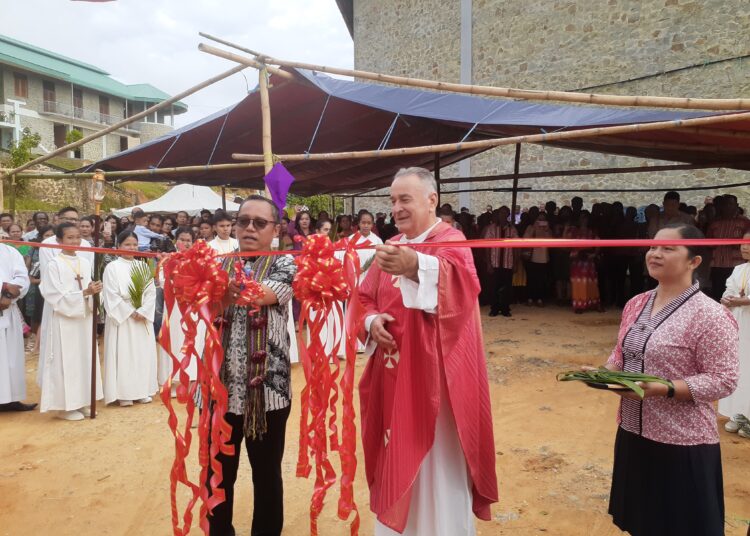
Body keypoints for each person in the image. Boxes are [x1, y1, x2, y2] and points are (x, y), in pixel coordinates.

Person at [359, 167, 497, 535]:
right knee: (396, 453)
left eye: (405, 199)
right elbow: (364, 296)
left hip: (437, 386)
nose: (397, 208)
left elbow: (463, 286)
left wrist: (417, 266)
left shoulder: (452, 239)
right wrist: (372, 321)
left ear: (431, 199)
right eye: (392, 201)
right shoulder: (389, 245)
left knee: (435, 467)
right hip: (393, 380)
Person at [595, 223, 738, 536]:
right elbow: (621, 353)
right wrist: (607, 373)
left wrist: (667, 388)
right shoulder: (636, 303)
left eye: (668, 249)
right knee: (642, 522)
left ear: (694, 261)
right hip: (633, 430)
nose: (655, 254)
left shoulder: (710, 315)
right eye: (653, 247)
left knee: (679, 526)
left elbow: (724, 380)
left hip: (680, 442)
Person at [207, 195, 297, 536]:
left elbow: (262, 294)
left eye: (260, 223)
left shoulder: (285, 264)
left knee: (266, 477)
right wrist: (212, 290)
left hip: (268, 395)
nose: (249, 228)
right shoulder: (216, 264)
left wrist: (224, 292)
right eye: (243, 220)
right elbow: (199, 302)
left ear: (275, 229)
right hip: (221, 391)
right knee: (217, 475)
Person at [39, 223, 104, 421]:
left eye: (77, 237)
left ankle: (83, 400)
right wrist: (84, 292)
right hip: (64, 320)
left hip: (83, 318)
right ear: (59, 241)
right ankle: (65, 406)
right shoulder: (54, 264)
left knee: (84, 358)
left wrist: (94, 289)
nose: (75, 241)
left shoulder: (84, 263)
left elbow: (88, 288)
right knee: (66, 360)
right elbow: (53, 294)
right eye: (70, 237)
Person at [102, 231, 158, 407]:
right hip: (124, 319)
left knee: (142, 354)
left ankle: (142, 390)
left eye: (134, 244)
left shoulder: (143, 267)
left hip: (141, 317)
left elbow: (151, 292)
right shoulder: (112, 268)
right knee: (124, 354)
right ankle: (124, 393)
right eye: (127, 244)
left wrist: (143, 310)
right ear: (119, 246)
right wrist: (130, 312)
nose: (131, 247)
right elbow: (110, 294)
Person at [158, 227, 206, 395]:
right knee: (175, 338)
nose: (185, 243)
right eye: (182, 239)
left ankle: (192, 377)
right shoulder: (168, 260)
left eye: (189, 240)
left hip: (192, 306)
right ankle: (174, 378)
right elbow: (162, 281)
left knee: (193, 338)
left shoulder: (198, 260)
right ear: (175, 241)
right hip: (175, 306)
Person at [719, 230, 750, 438]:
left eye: (749, 244)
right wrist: (728, 300)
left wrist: (744, 300)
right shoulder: (739, 269)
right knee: (740, 366)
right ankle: (739, 413)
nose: (744, 247)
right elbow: (728, 291)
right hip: (739, 322)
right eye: (742, 244)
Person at [0, 243, 34, 412]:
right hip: (4, 302)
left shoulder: (9, 251)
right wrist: (3, 288)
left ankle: (11, 399)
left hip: (9, 308)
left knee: (11, 356)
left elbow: (22, 278)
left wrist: (7, 296)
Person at [707, 194, 750, 301]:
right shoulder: (715, 222)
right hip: (717, 264)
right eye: (724, 205)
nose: (727, 207)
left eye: (730, 204)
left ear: (737, 205)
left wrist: (737, 243)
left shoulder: (745, 222)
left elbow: (747, 239)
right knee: (717, 294)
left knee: (737, 293)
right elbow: (707, 240)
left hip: (736, 264)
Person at [481, 206, 518, 317]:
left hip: (508, 262)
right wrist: (488, 263)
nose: (502, 215)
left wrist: (515, 263)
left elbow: (516, 247)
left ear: (508, 215)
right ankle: (494, 308)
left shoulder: (512, 229)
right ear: (498, 215)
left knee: (507, 287)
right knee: (494, 286)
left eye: (504, 213)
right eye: (500, 213)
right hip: (494, 262)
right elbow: (487, 247)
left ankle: (505, 308)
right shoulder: (491, 229)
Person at [567, 211, 602, 313]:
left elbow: (598, 243)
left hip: (588, 260)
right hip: (577, 260)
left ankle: (593, 304)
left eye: (585, 217)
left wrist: (594, 254)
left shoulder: (592, 231)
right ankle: (579, 305)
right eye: (581, 217)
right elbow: (567, 243)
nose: (583, 220)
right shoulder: (574, 231)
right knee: (578, 282)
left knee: (591, 282)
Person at [523, 212, 551, 307]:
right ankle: (530, 298)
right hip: (532, 256)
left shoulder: (548, 229)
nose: (541, 222)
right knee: (531, 278)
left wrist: (546, 230)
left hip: (543, 257)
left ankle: (540, 298)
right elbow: (525, 239)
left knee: (541, 279)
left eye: (543, 220)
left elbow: (551, 241)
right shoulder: (530, 227)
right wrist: (534, 228)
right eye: (539, 219)